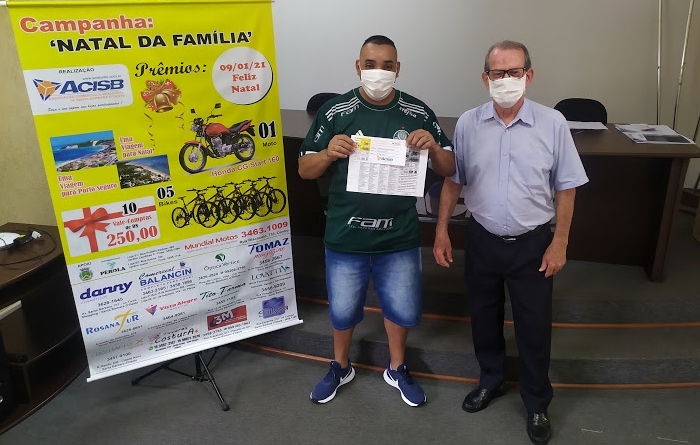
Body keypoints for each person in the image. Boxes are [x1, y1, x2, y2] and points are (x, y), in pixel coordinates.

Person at [432, 41, 588, 444]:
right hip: (481, 239)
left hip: (532, 244)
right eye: (497, 73)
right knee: (483, 318)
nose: (505, 80)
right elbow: (453, 180)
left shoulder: (552, 123)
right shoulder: (468, 123)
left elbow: (567, 188)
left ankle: (537, 402)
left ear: (528, 76)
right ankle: (491, 380)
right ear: (485, 78)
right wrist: (442, 230)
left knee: (533, 326)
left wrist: (560, 243)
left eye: (513, 72)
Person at [298, 35, 455, 407]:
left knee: (401, 309)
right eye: (370, 64)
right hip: (345, 234)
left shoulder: (417, 112)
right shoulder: (335, 111)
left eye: (387, 65)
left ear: (398, 69)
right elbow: (304, 168)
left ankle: (397, 367)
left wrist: (433, 147)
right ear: (358, 66)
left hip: (398, 236)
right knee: (342, 311)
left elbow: (449, 167)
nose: (378, 72)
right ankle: (340, 366)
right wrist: (327, 153)